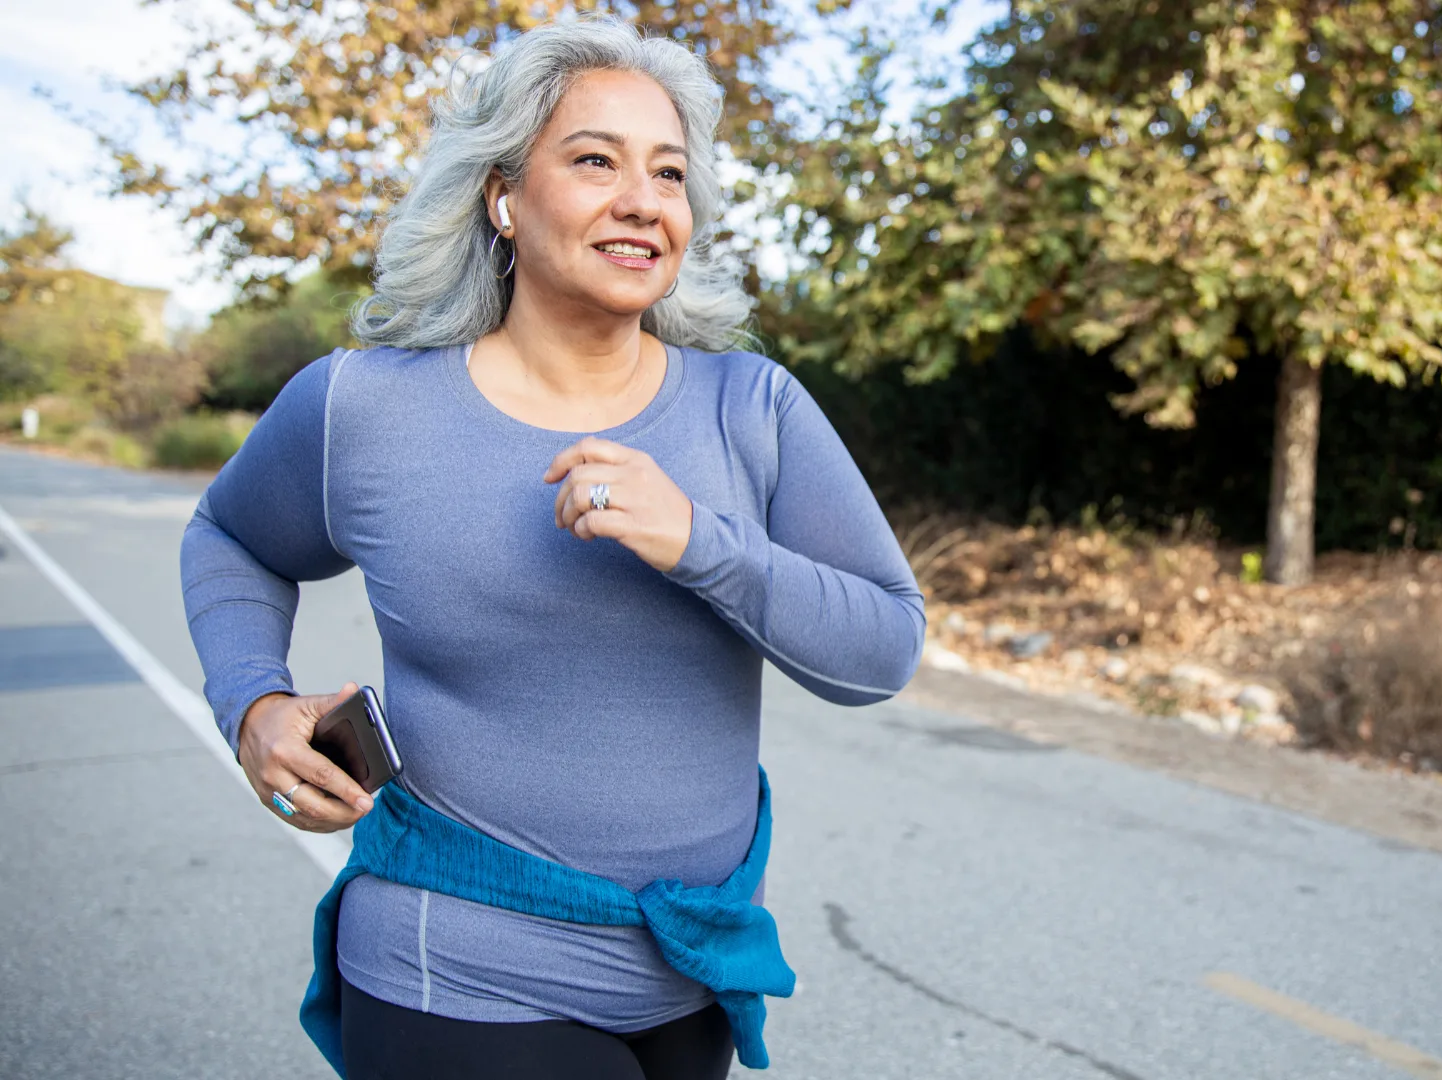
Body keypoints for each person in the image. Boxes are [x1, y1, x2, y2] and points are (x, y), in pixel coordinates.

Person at [179, 17, 926, 1080]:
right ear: (503, 200)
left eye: (669, 173)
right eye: (593, 161)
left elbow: (885, 649)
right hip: (459, 972)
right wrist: (252, 702)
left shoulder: (753, 407)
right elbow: (232, 536)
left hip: (689, 975)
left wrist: (702, 544)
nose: (643, 199)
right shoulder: (366, 407)